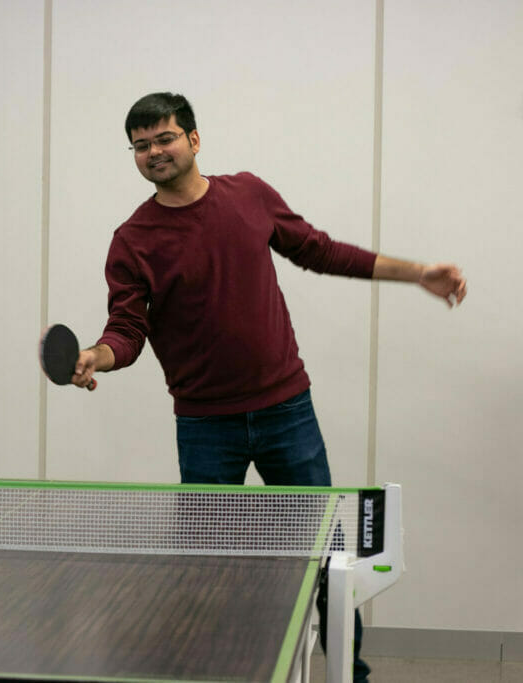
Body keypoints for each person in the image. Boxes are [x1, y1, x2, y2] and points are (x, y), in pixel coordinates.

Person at [71, 92, 467, 682]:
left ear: (194, 140)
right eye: (141, 144)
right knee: (209, 568)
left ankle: (348, 674)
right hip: (205, 426)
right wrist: (98, 356)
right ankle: (221, 670)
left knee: (329, 562)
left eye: (165, 138)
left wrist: (416, 274)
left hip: (287, 410)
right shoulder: (133, 240)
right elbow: (128, 328)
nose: (154, 151)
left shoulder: (249, 195)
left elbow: (320, 250)